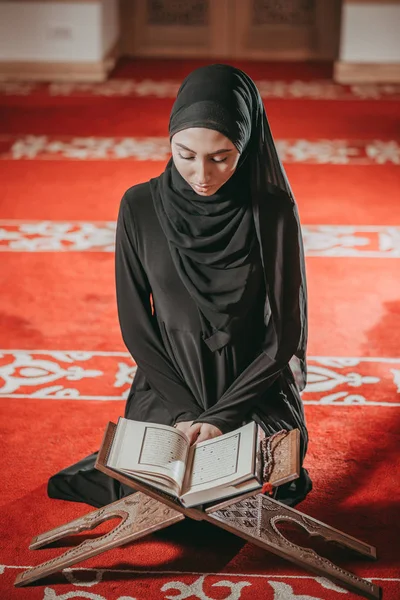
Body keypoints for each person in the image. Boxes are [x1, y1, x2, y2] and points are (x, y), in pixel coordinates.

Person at [48, 64, 312, 509]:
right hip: (169, 384)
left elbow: (285, 332)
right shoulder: (138, 206)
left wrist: (222, 417)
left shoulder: (273, 210)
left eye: (220, 156)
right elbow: (136, 324)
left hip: (251, 385)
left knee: (237, 494)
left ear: (245, 148)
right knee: (167, 492)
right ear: (170, 141)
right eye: (186, 154)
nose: (202, 174)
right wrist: (187, 414)